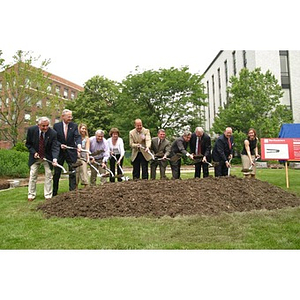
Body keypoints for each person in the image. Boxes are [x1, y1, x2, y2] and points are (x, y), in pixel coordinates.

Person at [25, 116, 59, 201]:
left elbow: (55, 147)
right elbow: (28, 144)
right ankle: (31, 195)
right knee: (33, 175)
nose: (45, 128)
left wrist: (55, 159)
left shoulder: (53, 133)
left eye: (47, 125)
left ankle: (48, 196)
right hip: (35, 157)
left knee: (49, 175)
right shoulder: (31, 130)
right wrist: (34, 152)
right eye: (43, 126)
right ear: (38, 125)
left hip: (47, 157)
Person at [53, 109, 82, 196]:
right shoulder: (56, 126)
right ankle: (54, 192)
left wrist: (79, 145)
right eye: (68, 116)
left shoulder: (74, 126)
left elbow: (77, 137)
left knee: (73, 172)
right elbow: (54, 139)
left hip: (70, 152)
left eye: (71, 116)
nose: (70, 118)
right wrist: (60, 145)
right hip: (60, 152)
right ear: (63, 116)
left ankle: (72, 192)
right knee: (57, 173)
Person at [76, 123, 90, 188]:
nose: (83, 130)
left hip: (83, 157)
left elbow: (87, 149)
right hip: (75, 158)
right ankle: (75, 188)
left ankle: (86, 187)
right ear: (79, 129)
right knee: (76, 173)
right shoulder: (75, 137)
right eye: (82, 128)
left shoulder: (87, 139)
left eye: (85, 129)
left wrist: (88, 158)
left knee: (84, 172)